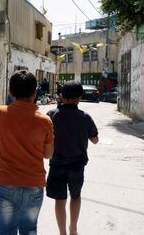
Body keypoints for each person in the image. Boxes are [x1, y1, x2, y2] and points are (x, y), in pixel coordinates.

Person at [0, 70, 54, 235]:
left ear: (10, 92)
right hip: (34, 184)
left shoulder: (1, 113)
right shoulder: (45, 121)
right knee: (29, 230)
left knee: (5, 231)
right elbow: (48, 155)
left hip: (6, 183)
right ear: (35, 92)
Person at [45, 81, 99, 235]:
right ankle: (73, 229)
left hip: (56, 164)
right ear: (79, 98)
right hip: (77, 165)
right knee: (75, 196)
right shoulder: (85, 117)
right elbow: (95, 140)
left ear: (61, 96)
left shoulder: (51, 115)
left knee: (59, 200)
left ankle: (62, 232)